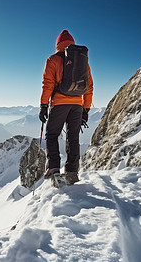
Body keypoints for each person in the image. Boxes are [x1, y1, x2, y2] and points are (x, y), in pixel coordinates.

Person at [39, 29, 93, 186]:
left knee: (52, 134)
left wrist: (43, 105)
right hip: (77, 105)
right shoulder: (83, 62)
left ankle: (54, 168)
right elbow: (89, 87)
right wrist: (86, 109)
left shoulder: (53, 60)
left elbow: (47, 84)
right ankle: (72, 171)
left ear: (58, 45)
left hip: (59, 103)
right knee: (73, 137)